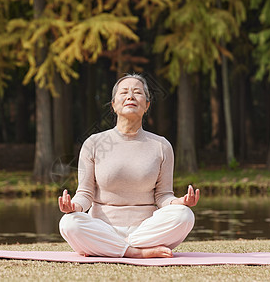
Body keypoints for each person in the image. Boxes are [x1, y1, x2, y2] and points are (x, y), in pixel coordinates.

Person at [58, 73, 200, 258]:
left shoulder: (162, 146)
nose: (130, 96)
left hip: (146, 231)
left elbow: (163, 196)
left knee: (184, 216)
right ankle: (136, 253)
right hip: (103, 228)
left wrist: (180, 202)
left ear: (147, 105)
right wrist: (73, 207)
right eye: (124, 92)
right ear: (114, 105)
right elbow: (85, 194)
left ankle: (111, 249)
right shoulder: (93, 143)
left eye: (137, 92)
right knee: (69, 223)